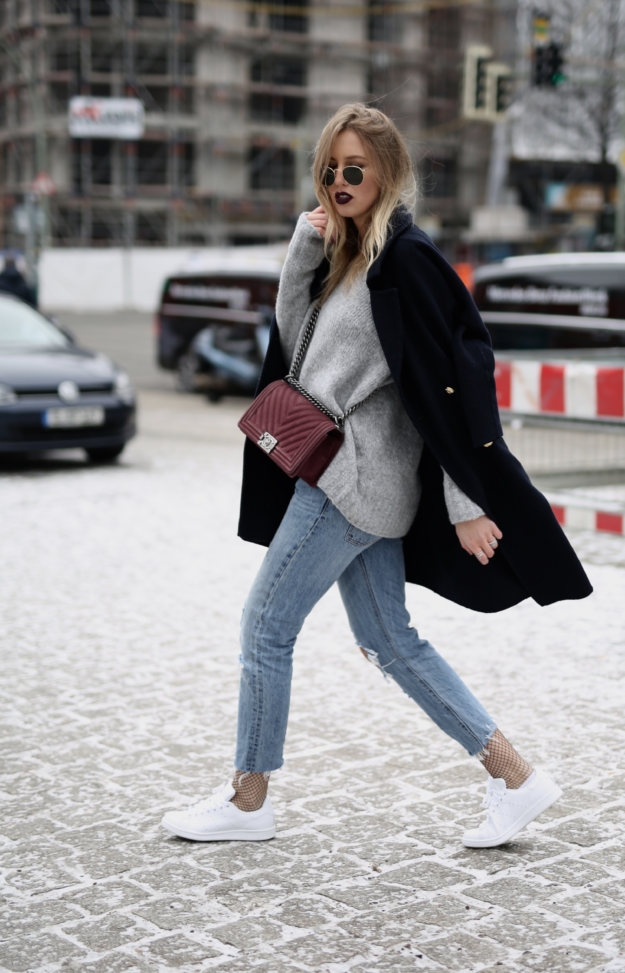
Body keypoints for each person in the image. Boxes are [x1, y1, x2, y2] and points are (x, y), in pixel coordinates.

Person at [162, 104, 592, 848]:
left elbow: (455, 383)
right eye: (329, 168)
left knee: (265, 629)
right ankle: (515, 778)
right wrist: (306, 245)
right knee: (392, 641)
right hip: (352, 482)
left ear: (387, 171)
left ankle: (248, 799)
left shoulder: (407, 259)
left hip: (346, 485)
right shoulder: (352, 256)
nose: (338, 180)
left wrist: (466, 500)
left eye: (354, 168)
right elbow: (294, 348)